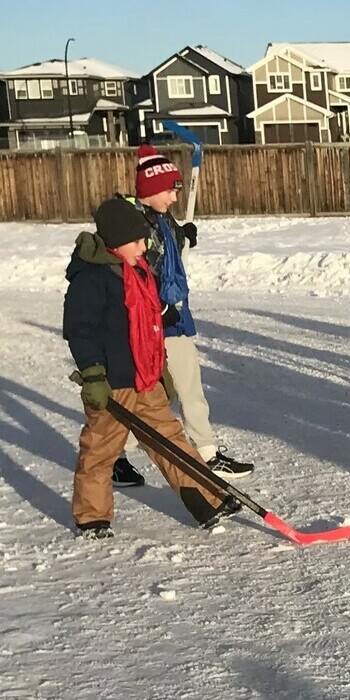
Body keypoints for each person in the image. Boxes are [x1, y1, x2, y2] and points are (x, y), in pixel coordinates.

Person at [64, 198, 241, 538]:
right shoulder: (92, 279)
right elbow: (80, 330)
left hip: (145, 378)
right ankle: (92, 517)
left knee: (171, 441)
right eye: (137, 240)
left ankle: (207, 500)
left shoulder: (135, 268)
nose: (144, 246)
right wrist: (93, 374)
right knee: (100, 451)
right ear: (115, 242)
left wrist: (163, 317)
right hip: (112, 384)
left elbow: (145, 310)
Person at [108, 143, 254, 487]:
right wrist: (157, 310)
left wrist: (184, 238)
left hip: (175, 316)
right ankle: (115, 455)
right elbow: (138, 272)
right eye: (168, 190)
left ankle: (206, 452)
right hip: (152, 321)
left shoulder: (162, 219)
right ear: (149, 190)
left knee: (186, 384)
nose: (174, 197)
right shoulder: (133, 225)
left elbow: (169, 259)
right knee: (150, 393)